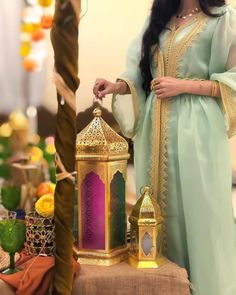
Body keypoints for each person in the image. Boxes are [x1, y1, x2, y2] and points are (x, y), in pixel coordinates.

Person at [93, 0, 236, 294]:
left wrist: (183, 86)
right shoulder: (158, 20)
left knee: (200, 214)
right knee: (154, 209)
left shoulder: (223, 20)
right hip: (154, 129)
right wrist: (116, 85)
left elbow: (233, 79)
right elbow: (138, 72)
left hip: (198, 132)